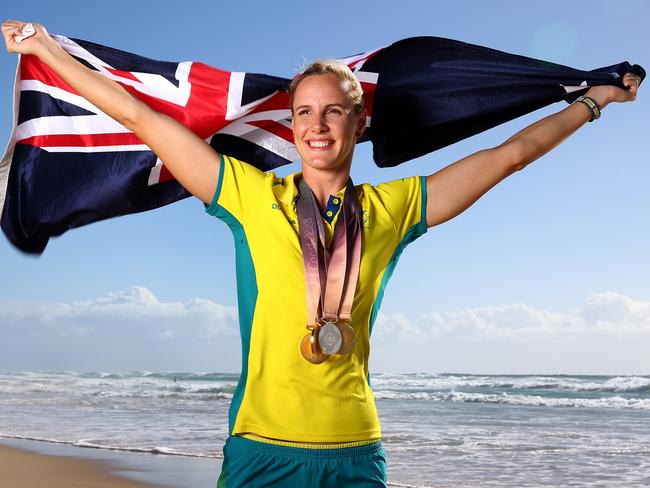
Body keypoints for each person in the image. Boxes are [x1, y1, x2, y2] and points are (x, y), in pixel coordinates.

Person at [3, 20, 641, 488]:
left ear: (359, 124)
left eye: (334, 111)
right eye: (304, 111)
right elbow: (143, 119)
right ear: (291, 122)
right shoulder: (247, 194)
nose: (316, 125)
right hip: (260, 452)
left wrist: (593, 101)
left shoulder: (393, 211)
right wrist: (47, 50)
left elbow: (509, 156)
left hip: (354, 453)